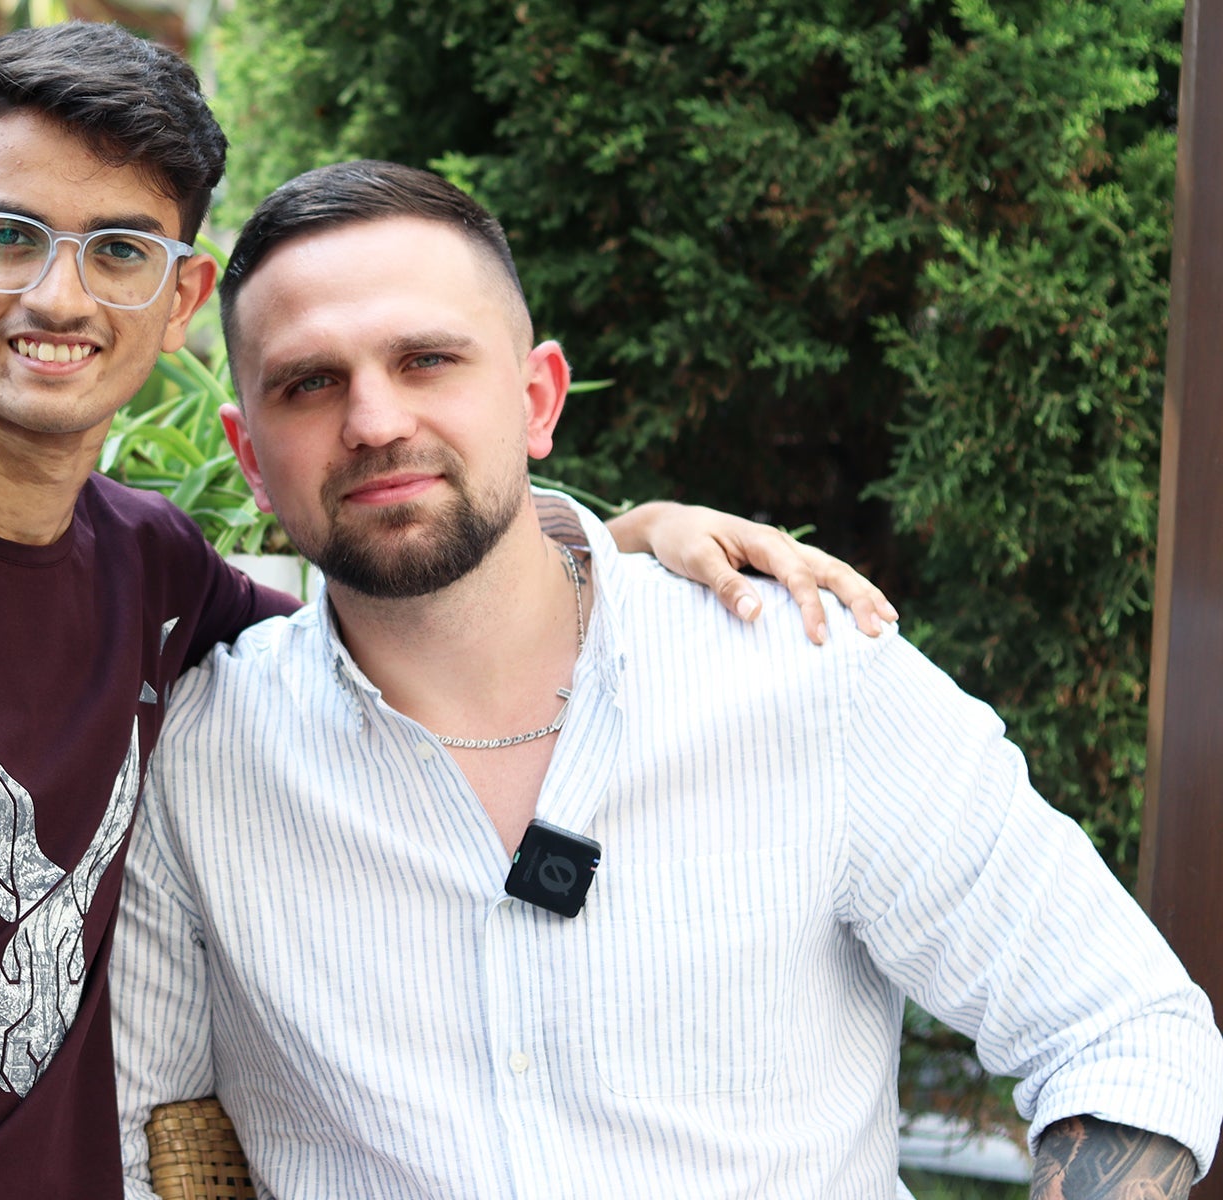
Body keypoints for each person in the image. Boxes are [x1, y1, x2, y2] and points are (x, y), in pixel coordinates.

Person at [0, 26, 892, 1200]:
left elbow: (397, 601)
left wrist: (620, 539)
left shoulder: (145, 565)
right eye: (10, 236)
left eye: (121, 251)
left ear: (182, 299)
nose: (58, 297)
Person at [111, 158, 1223, 1198]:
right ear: (250, 457)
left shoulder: (805, 677)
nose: (375, 420)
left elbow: (1122, 1029)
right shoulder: (196, 760)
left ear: (539, 398)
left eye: (427, 360)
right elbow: (143, 1135)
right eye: (309, 384)